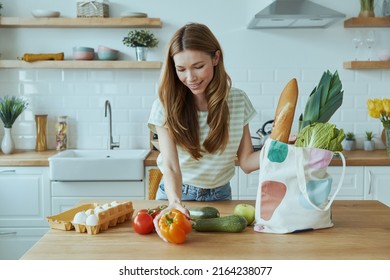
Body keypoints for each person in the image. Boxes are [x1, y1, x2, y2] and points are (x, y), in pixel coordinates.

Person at [147, 23, 260, 240]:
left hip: (220, 195)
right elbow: (170, 166)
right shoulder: (164, 105)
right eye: (181, 69)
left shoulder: (237, 100)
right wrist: (174, 202)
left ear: (216, 58)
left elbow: (247, 162)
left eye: (198, 66)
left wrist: (279, 148)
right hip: (176, 195)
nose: (190, 77)